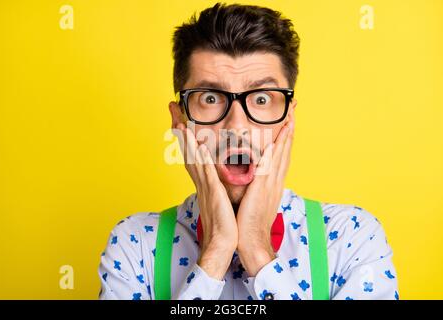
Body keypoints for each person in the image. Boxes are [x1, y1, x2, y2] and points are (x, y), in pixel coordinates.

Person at [98, 2, 399, 300]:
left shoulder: (352, 238)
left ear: (288, 119)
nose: (238, 126)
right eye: (211, 99)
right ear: (180, 122)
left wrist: (257, 250)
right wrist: (215, 252)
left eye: (262, 100)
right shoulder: (135, 244)